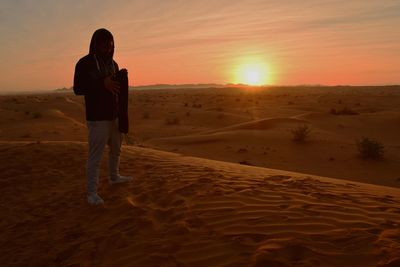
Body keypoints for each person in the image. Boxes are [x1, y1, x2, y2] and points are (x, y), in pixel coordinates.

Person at [73, 28, 132, 205]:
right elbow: (78, 89)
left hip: (114, 117)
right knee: (95, 157)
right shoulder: (84, 63)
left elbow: (116, 90)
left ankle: (114, 177)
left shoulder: (113, 64)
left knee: (116, 150)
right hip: (97, 119)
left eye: (110, 44)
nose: (107, 48)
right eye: (104, 44)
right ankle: (91, 193)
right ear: (95, 44)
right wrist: (101, 83)